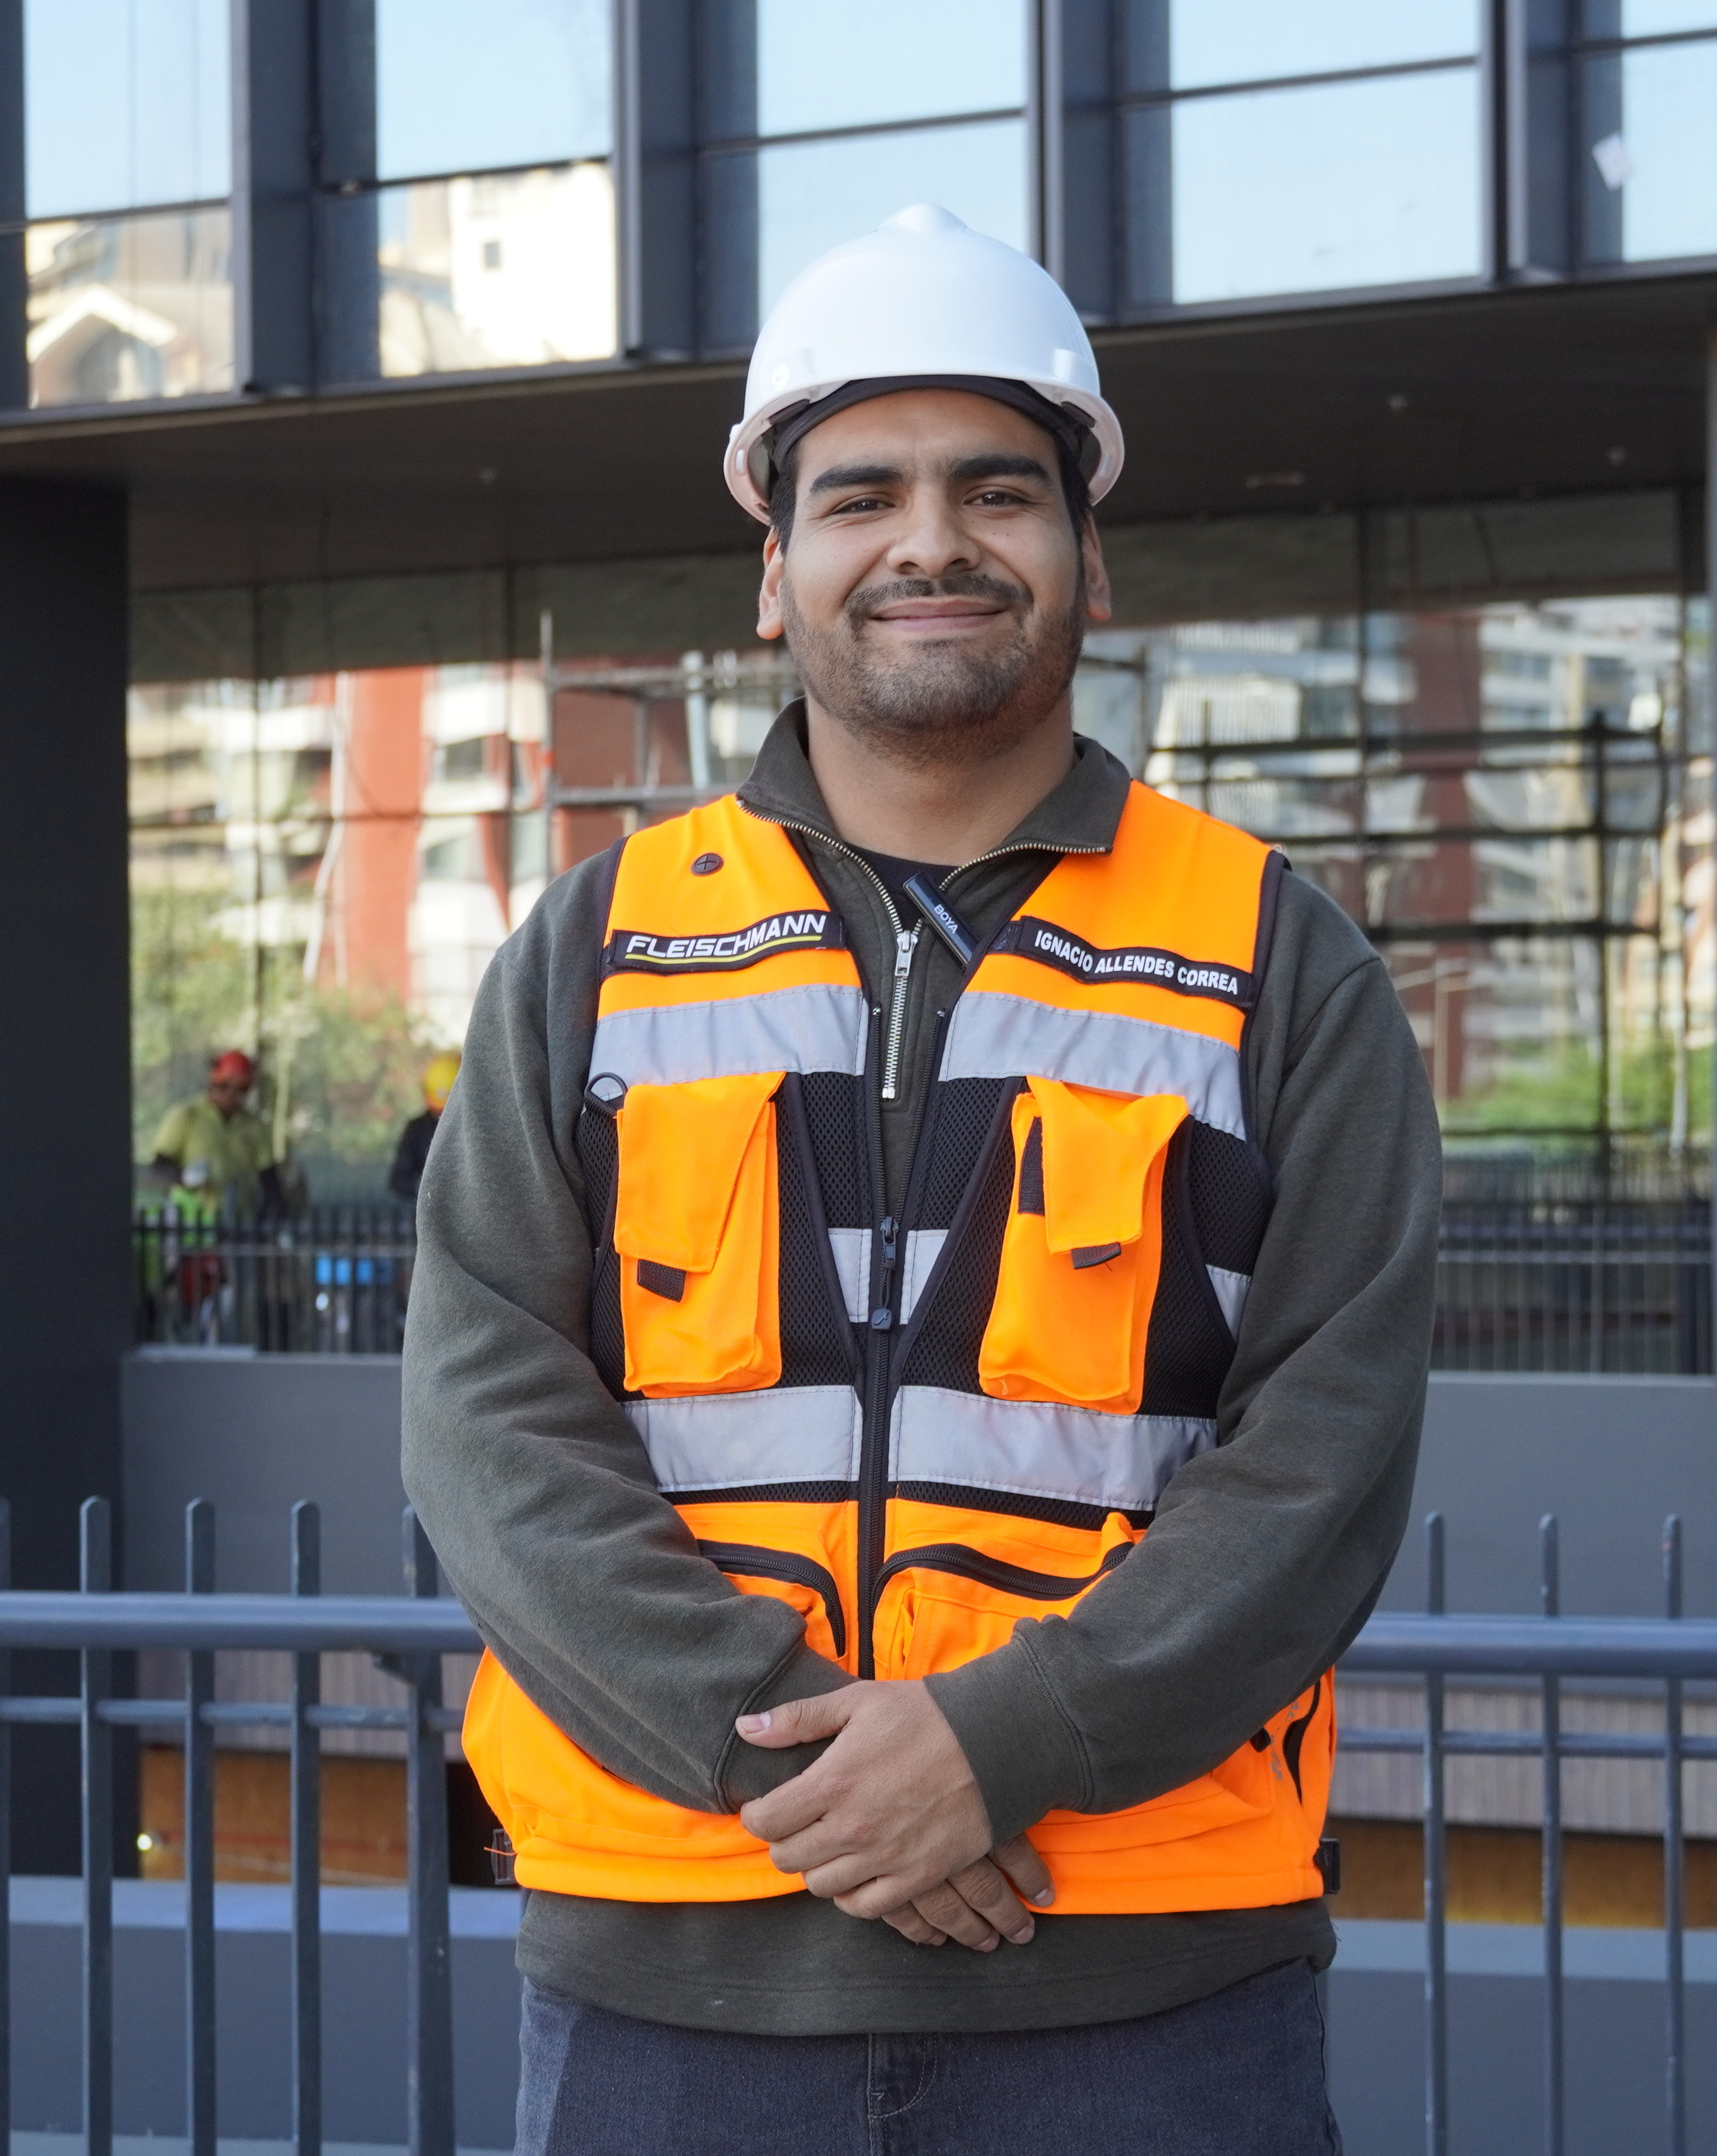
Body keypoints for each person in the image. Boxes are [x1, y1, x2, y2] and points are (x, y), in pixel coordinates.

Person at [402, 203, 1437, 2153]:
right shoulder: (595, 942)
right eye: (860, 493)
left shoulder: (1277, 958)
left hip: (1150, 1990)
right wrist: (803, 1772)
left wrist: (1002, 1749)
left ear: (1086, 556)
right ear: (773, 572)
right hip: (666, 1982)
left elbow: (1325, 1454)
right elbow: (485, 1422)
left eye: (997, 490)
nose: (930, 542)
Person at [147, 1048, 292, 1220]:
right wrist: (185, 1179)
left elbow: (269, 1179)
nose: (237, 1097)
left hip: (237, 1222)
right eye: (230, 1089)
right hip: (192, 1221)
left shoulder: (253, 1125)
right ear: (217, 1084)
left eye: (244, 1090)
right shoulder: (187, 1116)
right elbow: (159, 1168)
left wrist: (281, 1218)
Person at [388, 1049, 459, 1203]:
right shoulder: (417, 1130)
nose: (441, 1116)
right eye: (438, 1111)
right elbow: (399, 1180)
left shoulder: (473, 1131)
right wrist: (429, 1190)